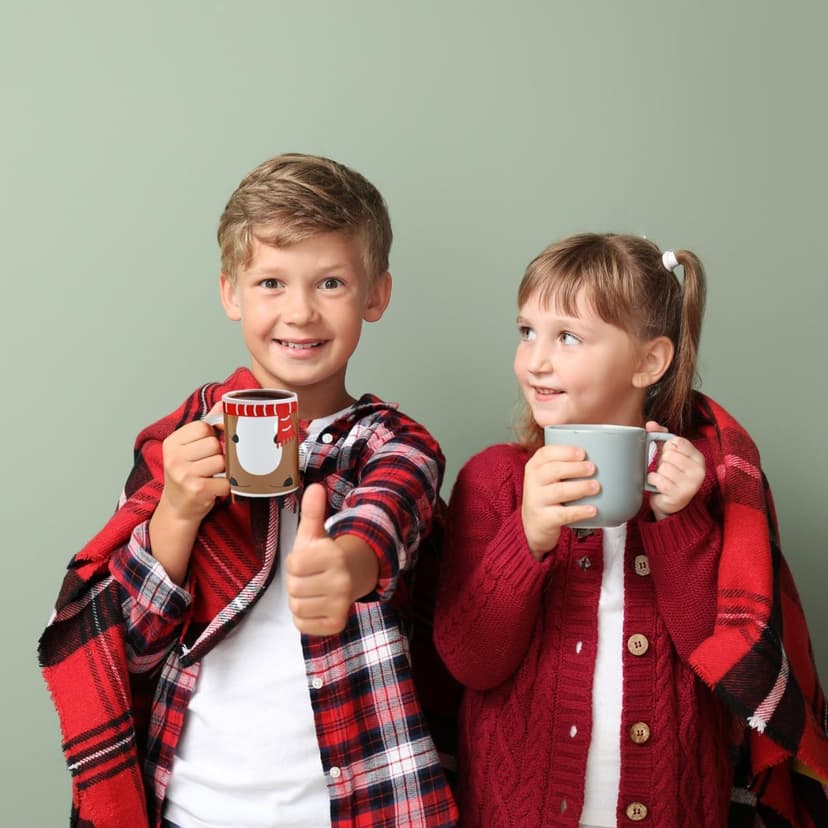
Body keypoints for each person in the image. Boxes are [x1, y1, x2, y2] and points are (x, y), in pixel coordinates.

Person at [39, 153, 459, 828]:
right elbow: (130, 650)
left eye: (330, 283)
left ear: (375, 295)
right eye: (271, 282)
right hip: (192, 808)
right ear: (230, 292)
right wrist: (177, 510)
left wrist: (344, 569)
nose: (300, 311)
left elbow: (386, 521)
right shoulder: (181, 442)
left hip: (363, 805)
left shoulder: (395, 444)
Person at [433, 233, 828, 827]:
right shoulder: (494, 481)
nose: (535, 359)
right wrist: (529, 535)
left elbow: (720, 660)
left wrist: (680, 522)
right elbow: (470, 662)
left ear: (650, 361)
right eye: (526, 332)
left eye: (567, 336)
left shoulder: (706, 490)